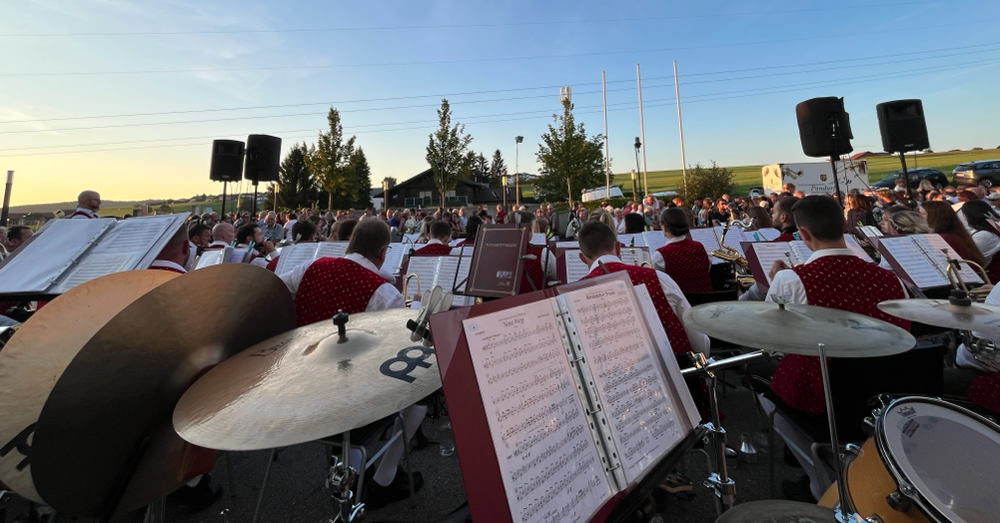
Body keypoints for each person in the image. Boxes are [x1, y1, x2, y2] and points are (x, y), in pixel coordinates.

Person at [763, 195, 910, 500]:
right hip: (890, 391)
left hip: (827, 396)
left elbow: (772, 341)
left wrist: (776, 282)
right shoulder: (892, 279)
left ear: (803, 234)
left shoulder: (791, 278)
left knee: (765, 391)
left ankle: (823, 481)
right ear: (844, 225)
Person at [278, 220, 423, 505]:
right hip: (348, 401)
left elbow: (275, 292)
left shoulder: (310, 268)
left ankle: (351, 471)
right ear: (384, 251)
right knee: (423, 391)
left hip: (297, 386)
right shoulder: (385, 292)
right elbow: (398, 351)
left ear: (350, 242)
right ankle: (385, 477)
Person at [651, 208, 713, 293]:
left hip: (679, 304)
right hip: (706, 303)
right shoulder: (702, 248)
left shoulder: (659, 256)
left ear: (664, 227)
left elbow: (660, 284)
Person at [961, 200, 1000, 281]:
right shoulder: (993, 227)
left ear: (968, 216)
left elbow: (971, 259)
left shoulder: (983, 236)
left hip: (991, 280)